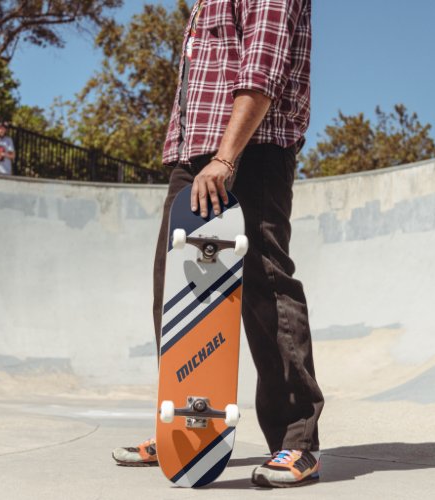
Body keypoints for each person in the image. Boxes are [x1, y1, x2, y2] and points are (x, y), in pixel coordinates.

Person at [113, 0, 324, 488]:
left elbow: (262, 69)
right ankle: (187, 431)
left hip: (249, 151)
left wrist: (226, 160)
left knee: (265, 284)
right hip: (195, 155)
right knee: (175, 290)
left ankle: (297, 440)